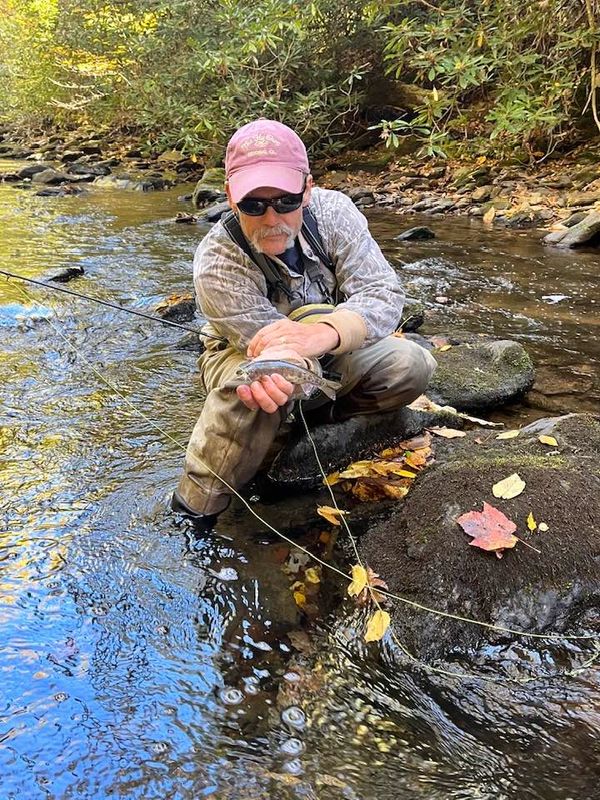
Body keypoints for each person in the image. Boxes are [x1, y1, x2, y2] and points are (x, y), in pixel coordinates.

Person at [172, 119, 436, 528]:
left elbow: (384, 296)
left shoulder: (334, 213)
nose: (271, 217)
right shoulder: (217, 261)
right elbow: (271, 348)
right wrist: (299, 356)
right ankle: (195, 510)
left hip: (327, 343)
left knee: (412, 365)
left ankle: (312, 430)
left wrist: (325, 333)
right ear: (229, 197)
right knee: (258, 387)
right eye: (253, 205)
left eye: (286, 201)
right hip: (249, 351)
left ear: (307, 190)